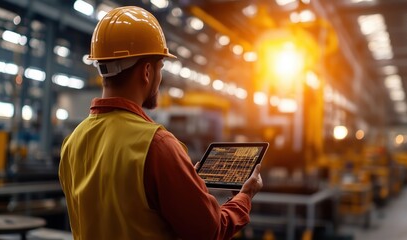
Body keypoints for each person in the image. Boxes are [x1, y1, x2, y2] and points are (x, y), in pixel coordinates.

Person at [58, 6, 263, 240]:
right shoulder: (156, 145)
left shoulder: (72, 142)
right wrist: (244, 197)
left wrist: (181, 177)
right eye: (160, 67)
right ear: (147, 71)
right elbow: (210, 230)